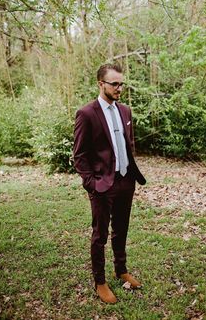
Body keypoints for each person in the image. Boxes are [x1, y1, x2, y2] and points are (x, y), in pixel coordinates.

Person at [73, 63, 146, 304]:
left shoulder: (125, 111)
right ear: (101, 84)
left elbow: (128, 144)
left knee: (121, 230)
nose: (119, 88)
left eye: (121, 83)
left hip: (126, 180)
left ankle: (121, 270)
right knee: (100, 235)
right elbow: (80, 155)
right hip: (102, 184)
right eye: (114, 83)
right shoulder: (87, 113)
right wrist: (91, 183)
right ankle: (100, 282)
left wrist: (131, 172)